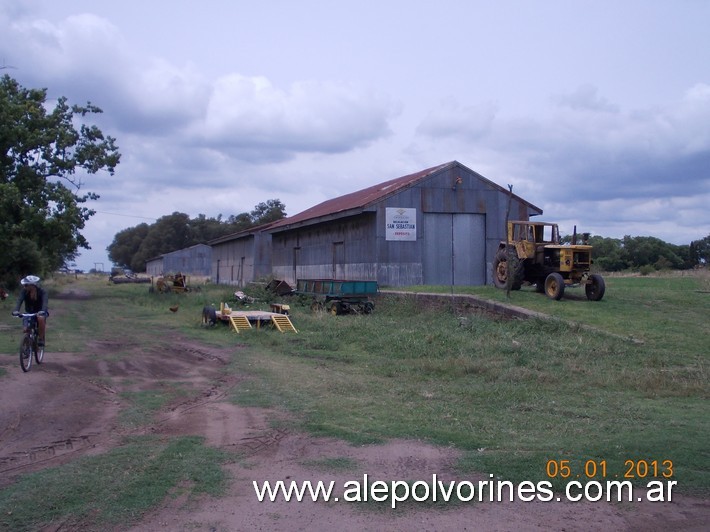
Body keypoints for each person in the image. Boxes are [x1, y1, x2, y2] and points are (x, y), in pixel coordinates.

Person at [12, 275, 49, 346]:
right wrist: (16, 310)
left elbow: (45, 302)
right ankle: (26, 347)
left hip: (40, 311)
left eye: (26, 285)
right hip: (29, 312)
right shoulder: (24, 292)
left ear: (32, 285)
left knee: (40, 319)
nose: (24, 287)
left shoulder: (42, 292)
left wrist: (43, 310)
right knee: (25, 329)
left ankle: (41, 339)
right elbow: (19, 300)